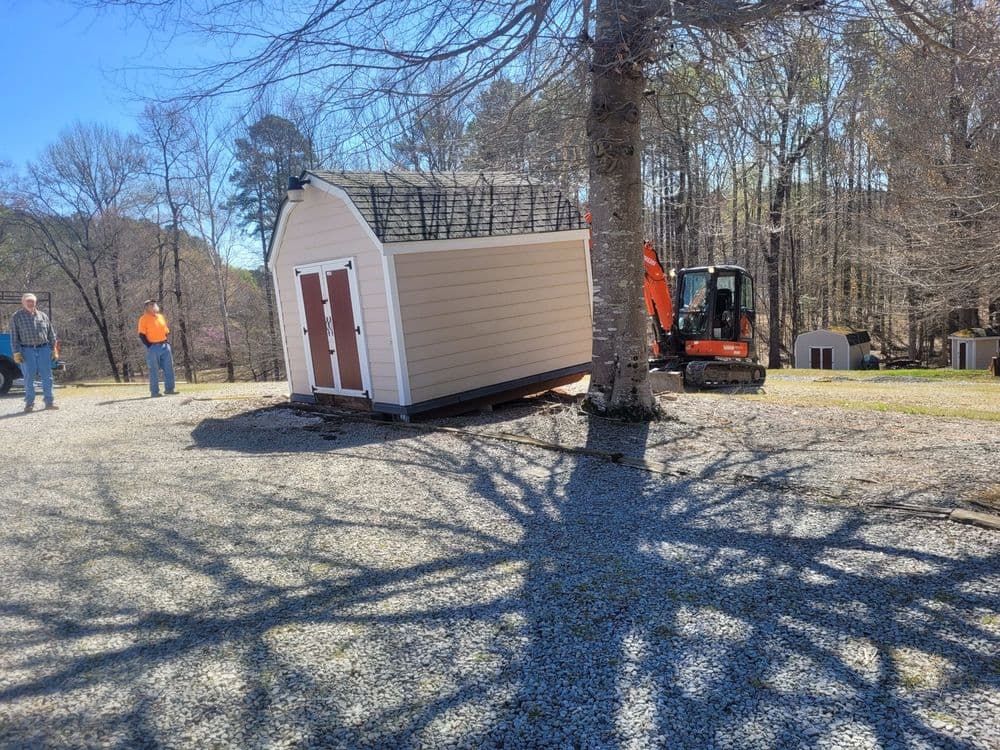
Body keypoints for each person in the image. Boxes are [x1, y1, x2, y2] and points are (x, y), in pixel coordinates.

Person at [9, 293, 59, 412]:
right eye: (28, 301)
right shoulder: (16, 317)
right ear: (23, 303)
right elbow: (14, 337)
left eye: (32, 301)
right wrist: (16, 352)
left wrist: (54, 349)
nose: (30, 303)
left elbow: (51, 334)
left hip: (44, 349)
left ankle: (49, 402)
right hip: (26, 350)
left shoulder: (43, 316)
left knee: (47, 377)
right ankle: (29, 404)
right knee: (29, 378)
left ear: (35, 302)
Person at [138, 300, 177, 397]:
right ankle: (154, 392)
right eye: (150, 305)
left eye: (154, 304)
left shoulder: (160, 317)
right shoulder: (143, 319)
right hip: (153, 347)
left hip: (164, 345)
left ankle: (169, 389)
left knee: (169, 368)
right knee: (154, 370)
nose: (153, 306)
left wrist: (166, 342)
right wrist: (149, 345)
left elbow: (166, 331)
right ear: (146, 307)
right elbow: (141, 334)